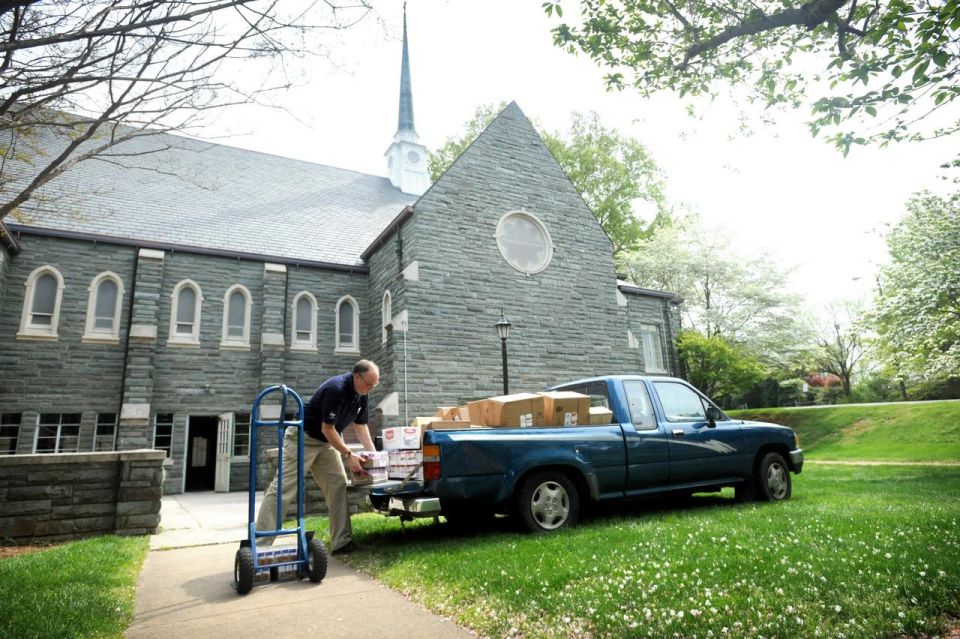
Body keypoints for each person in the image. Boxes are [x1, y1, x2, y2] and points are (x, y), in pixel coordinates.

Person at [255, 360, 379, 555]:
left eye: (375, 385)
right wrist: (348, 454)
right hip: (302, 437)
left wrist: (375, 456)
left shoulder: (361, 393)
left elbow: (361, 426)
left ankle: (341, 542)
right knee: (284, 487)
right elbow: (327, 428)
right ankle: (260, 545)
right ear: (357, 376)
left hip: (326, 443)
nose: (371, 389)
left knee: (337, 485)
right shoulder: (336, 389)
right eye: (369, 384)